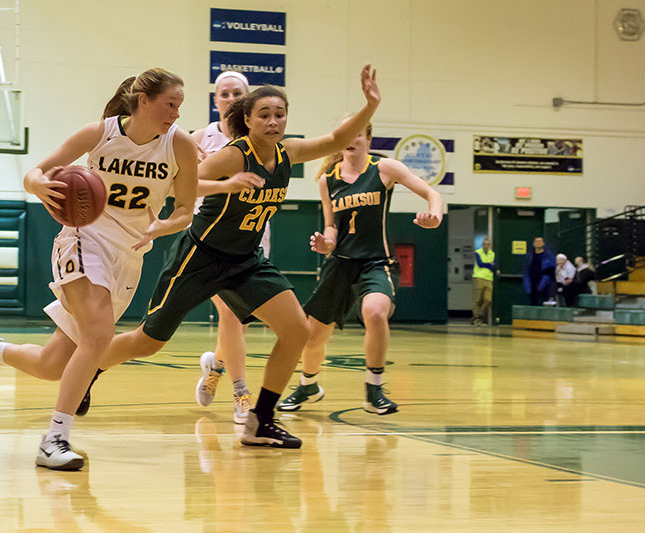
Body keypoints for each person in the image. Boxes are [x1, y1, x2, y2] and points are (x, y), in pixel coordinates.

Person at [85, 64, 382, 448]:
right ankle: (89, 368)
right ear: (247, 119)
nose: (273, 121)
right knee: (148, 340)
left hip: (245, 260)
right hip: (201, 255)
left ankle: (261, 420)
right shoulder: (233, 156)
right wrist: (228, 186)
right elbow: (181, 187)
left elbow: (338, 138)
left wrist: (370, 103)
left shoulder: (289, 152)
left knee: (297, 330)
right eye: (264, 115)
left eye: (279, 114)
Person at [0, 68, 198, 470]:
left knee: (52, 366)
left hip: (130, 253)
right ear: (144, 101)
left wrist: (166, 224)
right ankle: (55, 439)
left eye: (180, 106)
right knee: (99, 337)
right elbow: (37, 171)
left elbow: (185, 209)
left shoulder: (179, 145)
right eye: (170, 104)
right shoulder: (100, 133)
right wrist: (39, 186)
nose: (176, 113)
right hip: (83, 239)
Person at [276, 118, 443, 415]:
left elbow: (433, 194)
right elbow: (331, 226)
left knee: (375, 312)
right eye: (346, 134)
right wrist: (326, 243)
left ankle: (373, 390)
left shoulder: (383, 169)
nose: (351, 139)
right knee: (313, 335)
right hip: (340, 263)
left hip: (377, 261)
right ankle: (308, 385)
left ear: (368, 139)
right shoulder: (328, 179)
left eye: (357, 134)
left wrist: (435, 215)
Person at [190, 71, 257, 424]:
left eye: (237, 93)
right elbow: (179, 181)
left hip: (252, 235)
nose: (230, 98)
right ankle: (241, 393)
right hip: (211, 239)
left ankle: (215, 366)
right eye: (224, 93)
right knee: (231, 314)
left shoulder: (259, 138)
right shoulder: (201, 138)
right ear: (215, 100)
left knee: (239, 323)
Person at [523, 237, 555, 306]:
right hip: (532, 281)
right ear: (533, 244)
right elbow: (526, 269)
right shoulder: (529, 256)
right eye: (536, 241)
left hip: (544, 283)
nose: (538, 243)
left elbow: (550, 270)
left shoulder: (548, 255)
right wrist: (527, 283)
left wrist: (543, 282)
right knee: (533, 301)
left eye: (540, 241)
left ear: (543, 243)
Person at [472, 237, 495, 326]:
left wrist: (488, 265)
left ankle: (479, 314)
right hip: (479, 277)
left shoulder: (492, 254)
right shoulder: (478, 253)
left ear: (490, 245)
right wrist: (489, 264)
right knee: (477, 299)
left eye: (488, 244)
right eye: (484, 244)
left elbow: (493, 266)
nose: (486, 246)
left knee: (488, 299)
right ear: (482, 245)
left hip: (489, 278)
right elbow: (480, 264)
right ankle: (477, 318)